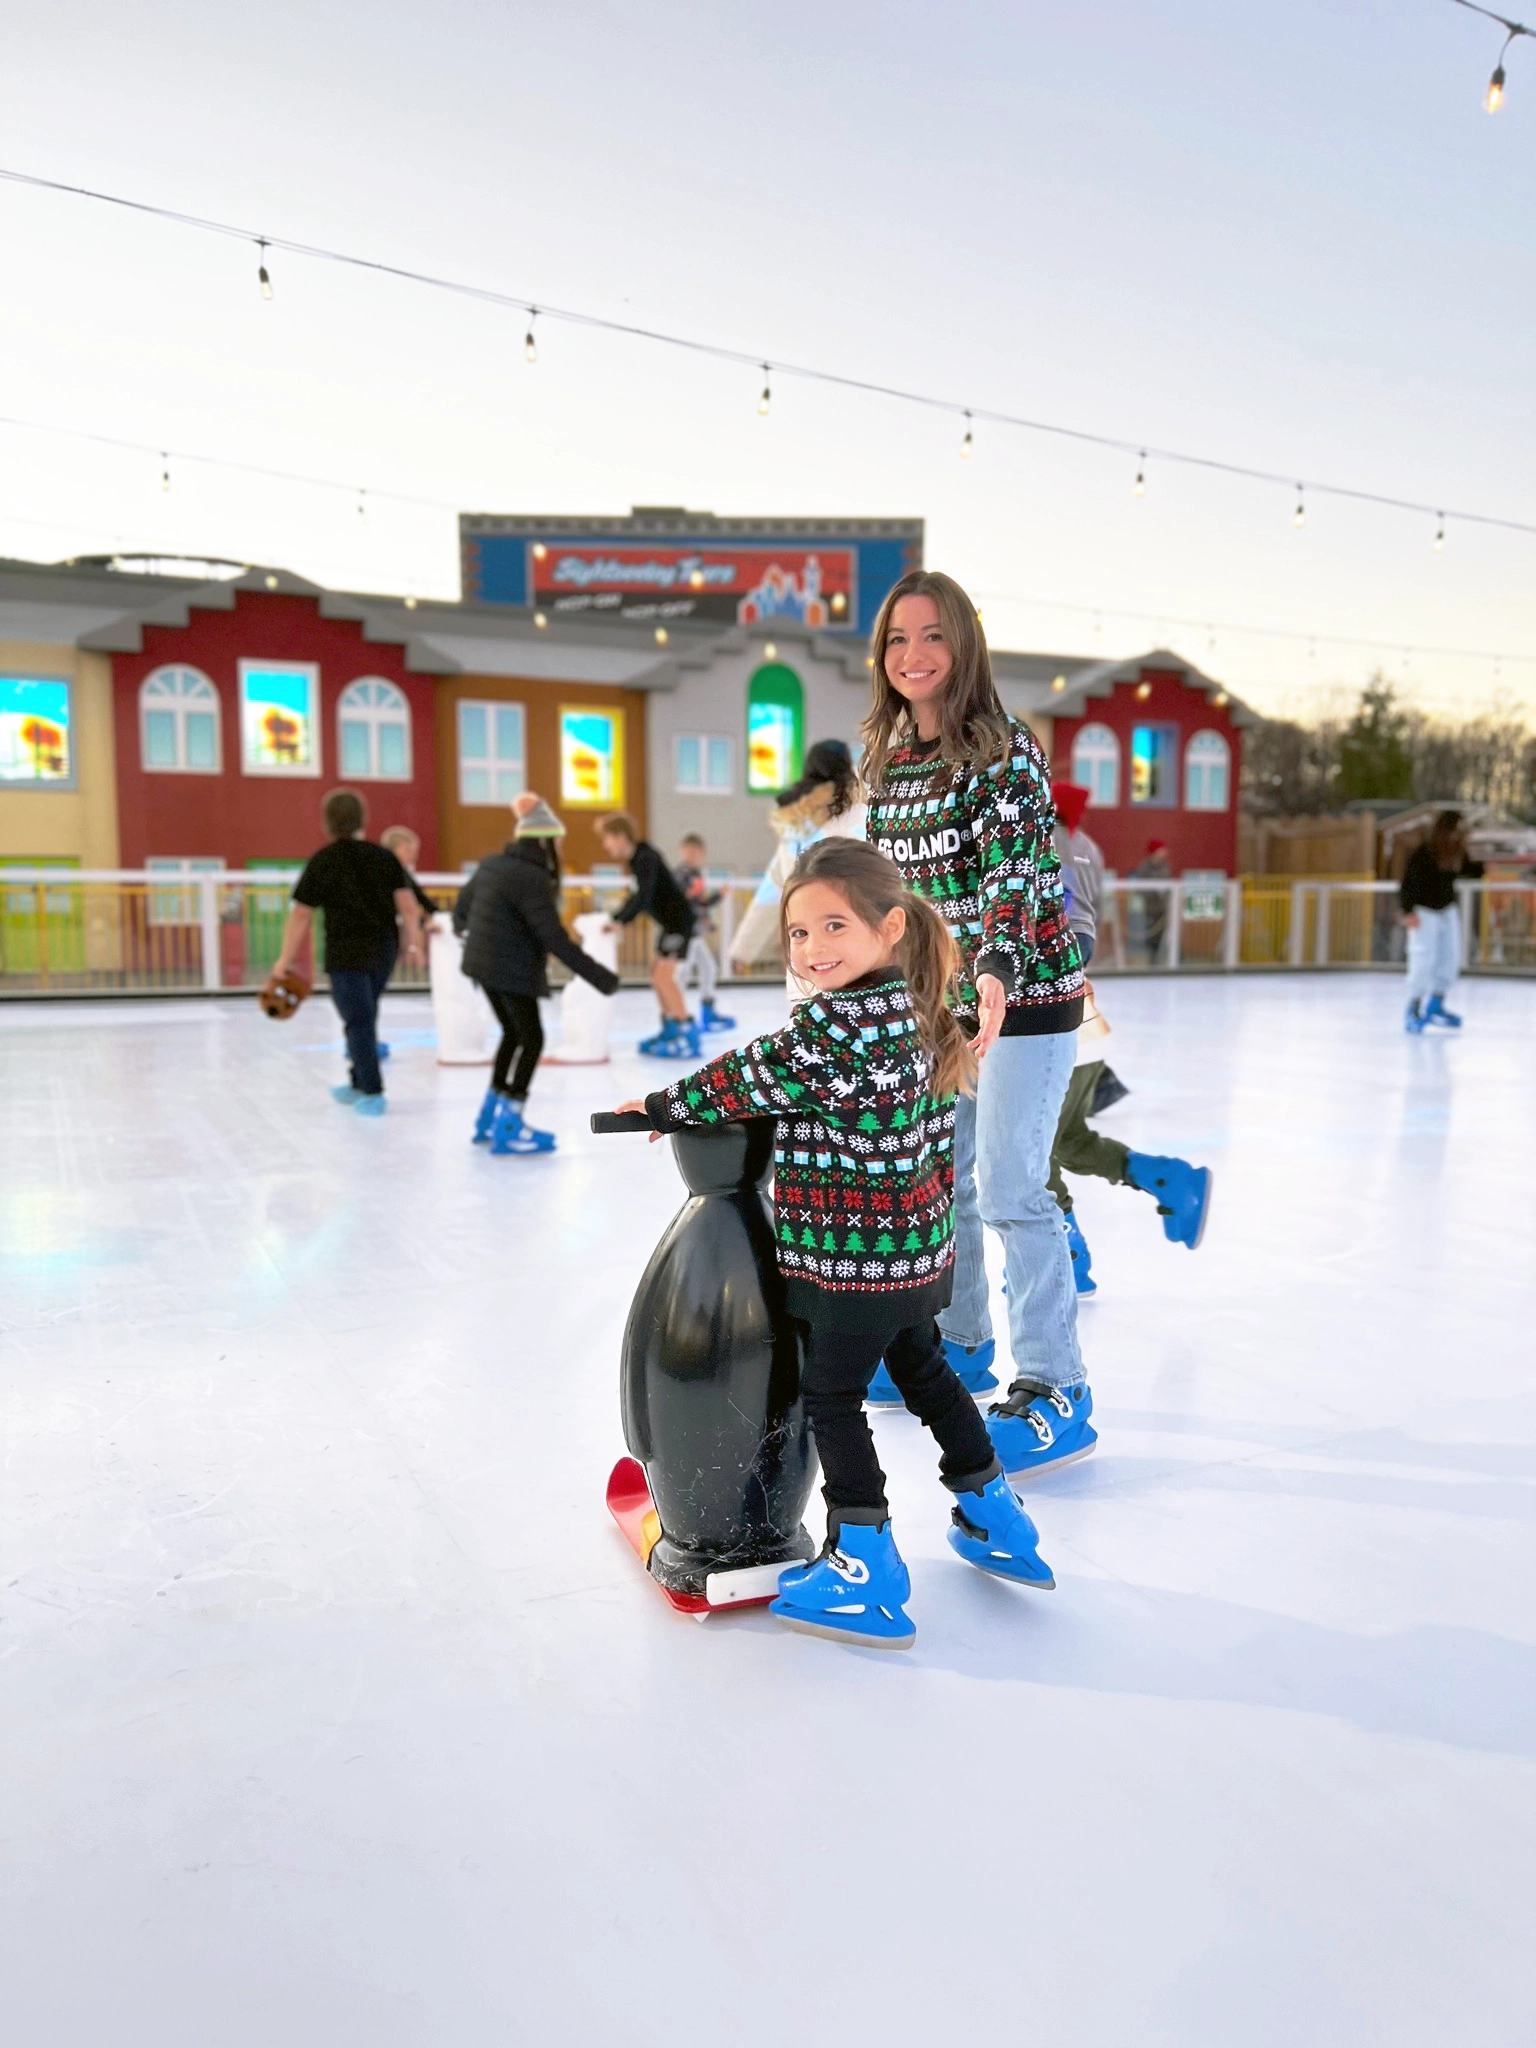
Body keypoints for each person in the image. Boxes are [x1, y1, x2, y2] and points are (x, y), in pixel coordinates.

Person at [615, 837, 1053, 1650]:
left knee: (832, 1400)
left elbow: (746, 1075)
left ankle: (864, 1564)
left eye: (833, 927)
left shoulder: (832, 1032)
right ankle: (999, 1516)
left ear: (890, 928)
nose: (813, 949)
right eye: (799, 934)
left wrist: (663, 1105)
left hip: (853, 1261)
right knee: (926, 1372)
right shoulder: (925, 1010)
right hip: (918, 1257)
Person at [862, 569, 1095, 1477]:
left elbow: (1013, 870)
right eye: (896, 639)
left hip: (1025, 1000)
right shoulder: (891, 766)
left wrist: (995, 965)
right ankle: (960, 1342)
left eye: (932, 637)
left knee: (1010, 1191)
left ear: (963, 647)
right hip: (945, 1008)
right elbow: (896, 898)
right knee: (941, 1181)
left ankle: (1057, 1387)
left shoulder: (1002, 749)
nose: (913, 656)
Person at [1045, 782, 1212, 1298]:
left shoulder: (1038, 840)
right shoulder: (1086, 845)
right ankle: (1170, 1180)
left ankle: (1065, 1259)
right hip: (1087, 1028)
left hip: (1049, 1028)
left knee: (1028, 1158)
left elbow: (1065, 932)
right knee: (1068, 1142)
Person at [453, 797, 618, 1154]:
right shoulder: (532, 877)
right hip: (507, 969)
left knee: (513, 1034)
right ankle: (509, 1123)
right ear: (544, 841)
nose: (559, 847)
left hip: (483, 966)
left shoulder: (492, 864)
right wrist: (601, 977)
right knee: (532, 1039)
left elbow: (462, 912)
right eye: (556, 841)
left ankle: (489, 1114)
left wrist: (485, 936)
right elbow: (553, 937)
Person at [272, 788, 424, 1118]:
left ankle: (371, 1090)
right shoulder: (383, 857)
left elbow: (301, 914)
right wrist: (412, 944)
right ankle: (358, 1081)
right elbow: (408, 907)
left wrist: (284, 959)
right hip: (383, 950)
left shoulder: (324, 860)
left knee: (357, 1019)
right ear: (362, 819)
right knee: (364, 1016)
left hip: (346, 953)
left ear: (326, 822)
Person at [727, 739, 867, 992]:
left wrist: (744, 948)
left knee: (811, 1018)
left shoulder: (797, 825)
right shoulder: (861, 813)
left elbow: (774, 887)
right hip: (852, 936)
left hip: (804, 944)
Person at [596, 811, 698, 1059]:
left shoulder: (646, 857)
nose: (605, 845)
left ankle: (688, 1035)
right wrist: (618, 917)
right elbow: (639, 895)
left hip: (679, 923)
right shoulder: (637, 859)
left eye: (607, 838)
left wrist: (620, 921)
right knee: (656, 974)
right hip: (670, 924)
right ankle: (670, 1028)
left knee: (664, 978)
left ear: (621, 837)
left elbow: (644, 896)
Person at [1401, 809, 1483, 1033]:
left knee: (1450, 956)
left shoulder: (1455, 853)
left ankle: (1436, 1003)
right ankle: (1414, 1006)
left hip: (1447, 910)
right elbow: (1408, 881)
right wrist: (1408, 911)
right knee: (1422, 958)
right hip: (1424, 911)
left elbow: (1473, 871)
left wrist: (1480, 861)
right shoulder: (1425, 852)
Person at [674, 831, 734, 1034]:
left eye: (696, 852)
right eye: (689, 851)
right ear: (682, 851)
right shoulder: (682, 874)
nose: (692, 855)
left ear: (702, 853)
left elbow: (700, 902)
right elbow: (687, 899)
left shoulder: (695, 874)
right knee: (683, 971)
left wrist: (714, 904)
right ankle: (678, 1015)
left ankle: (707, 1012)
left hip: (694, 931)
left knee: (708, 968)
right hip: (685, 930)